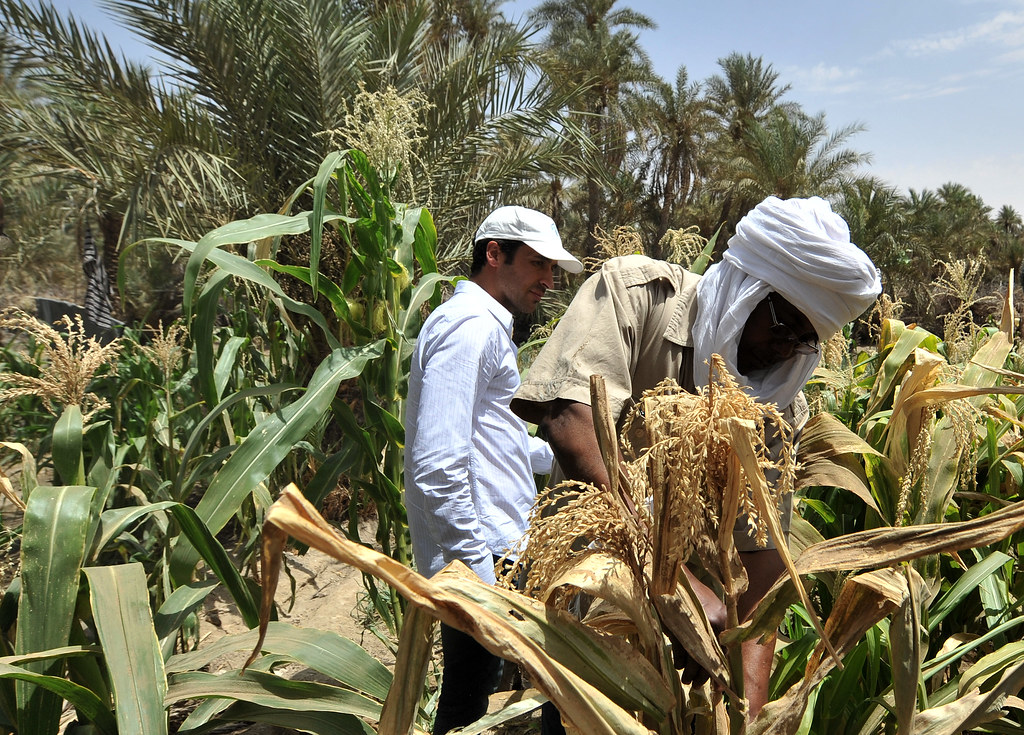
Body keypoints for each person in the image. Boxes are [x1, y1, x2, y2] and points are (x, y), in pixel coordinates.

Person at [511, 196, 881, 729]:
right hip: (584, 610)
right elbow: (571, 420)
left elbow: (759, 577)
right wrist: (677, 585)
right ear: (745, 286)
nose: (786, 348)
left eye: (806, 338)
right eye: (782, 323)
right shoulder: (635, 296)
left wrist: (745, 711)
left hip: (684, 651)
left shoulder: (776, 409)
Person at [404, 205, 583, 735]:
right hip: (484, 556)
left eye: (553, 269)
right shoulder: (469, 328)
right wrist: (482, 580)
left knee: (483, 704)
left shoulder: (483, 327)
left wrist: (570, 456)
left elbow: (493, 442)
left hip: (497, 550)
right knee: (472, 711)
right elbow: (437, 465)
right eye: (537, 264)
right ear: (493, 254)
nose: (548, 281)